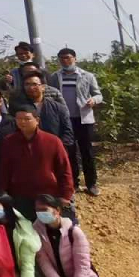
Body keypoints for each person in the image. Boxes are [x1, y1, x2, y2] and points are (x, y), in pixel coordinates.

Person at [34, 195, 115, 277]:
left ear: (57, 211)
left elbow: (82, 265)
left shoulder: (74, 232)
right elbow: (44, 263)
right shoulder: (37, 232)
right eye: (38, 210)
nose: (41, 213)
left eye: (44, 210)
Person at [0, 105, 74, 221]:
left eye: (27, 119)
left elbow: (64, 169)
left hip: (48, 195)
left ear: (37, 120)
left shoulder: (53, 141)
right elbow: (4, 170)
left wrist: (66, 195)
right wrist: (2, 193)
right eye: (19, 119)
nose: (22, 122)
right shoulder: (9, 141)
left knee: (49, 227)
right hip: (20, 195)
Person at [48, 48, 104, 196]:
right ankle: (73, 183)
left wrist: (94, 100)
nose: (65, 61)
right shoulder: (55, 77)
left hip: (84, 119)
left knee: (87, 151)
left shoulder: (87, 76)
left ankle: (91, 184)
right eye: (61, 58)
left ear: (75, 58)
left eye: (68, 58)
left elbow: (98, 95)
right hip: (65, 120)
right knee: (69, 152)